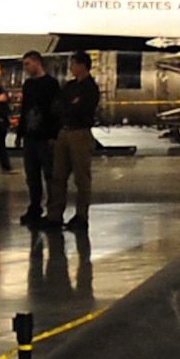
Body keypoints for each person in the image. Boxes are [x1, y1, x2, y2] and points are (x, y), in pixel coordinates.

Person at [44, 51, 100, 231]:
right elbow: (57, 106)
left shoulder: (90, 88)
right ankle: (54, 215)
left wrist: (69, 107)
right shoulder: (69, 86)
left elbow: (82, 108)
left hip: (80, 134)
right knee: (58, 175)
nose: (70, 68)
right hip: (64, 131)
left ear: (82, 65)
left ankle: (81, 215)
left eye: (73, 64)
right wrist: (69, 106)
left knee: (81, 177)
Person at [15, 51, 59, 225]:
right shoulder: (28, 85)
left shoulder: (51, 84)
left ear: (37, 63)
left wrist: (53, 134)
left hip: (45, 137)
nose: (25, 68)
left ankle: (53, 210)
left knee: (49, 174)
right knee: (32, 175)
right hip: (30, 136)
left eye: (27, 64)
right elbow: (24, 109)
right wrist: (20, 133)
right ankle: (35, 206)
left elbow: (55, 111)